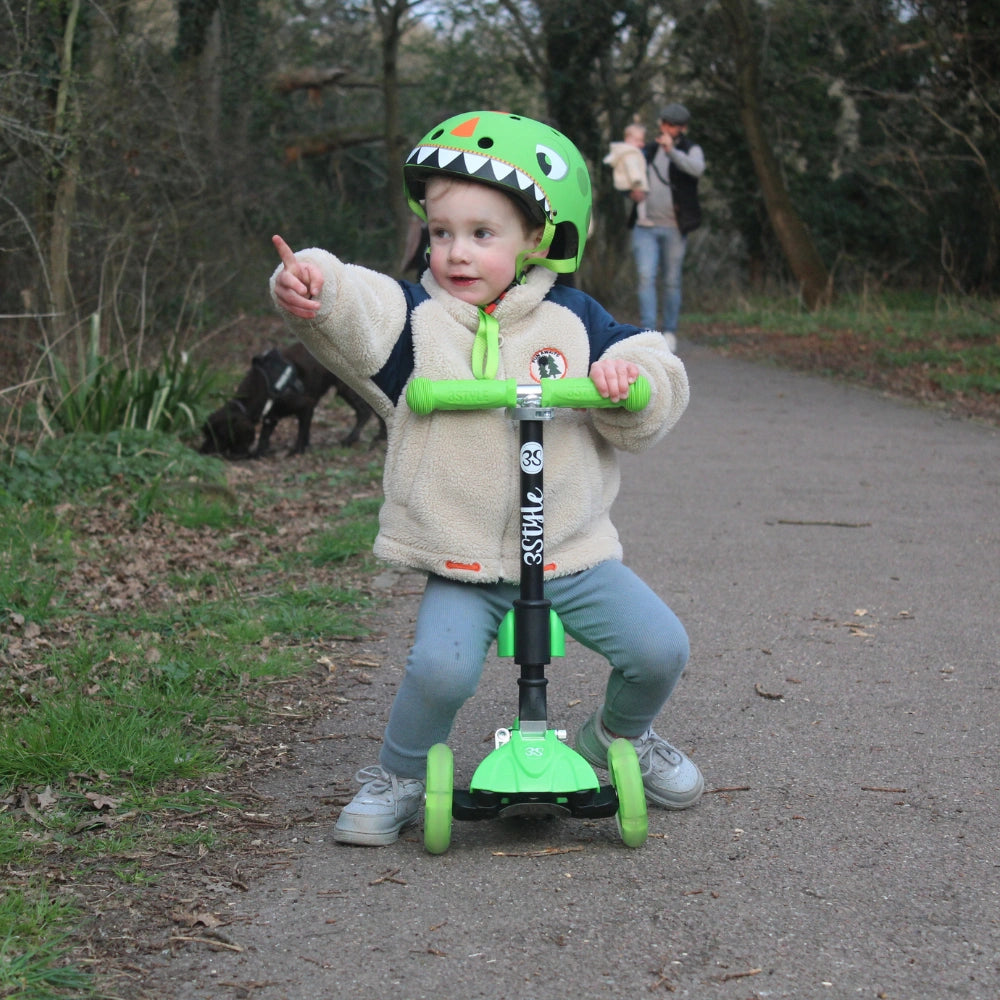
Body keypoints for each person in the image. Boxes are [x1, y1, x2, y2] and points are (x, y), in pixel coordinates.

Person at [270, 110, 703, 846]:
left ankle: (615, 741)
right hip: (464, 553)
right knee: (439, 670)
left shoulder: (575, 320)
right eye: (441, 234)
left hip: (570, 550)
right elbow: (358, 302)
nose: (456, 252)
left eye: (481, 233)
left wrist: (628, 381)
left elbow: (654, 364)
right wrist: (315, 281)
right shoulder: (417, 324)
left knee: (659, 648)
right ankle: (401, 775)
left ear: (537, 237)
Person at [631, 103, 705, 349]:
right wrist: (631, 193)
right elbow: (631, 174)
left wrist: (672, 151)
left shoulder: (690, 149)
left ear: (682, 128)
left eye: (672, 125)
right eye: (664, 123)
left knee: (672, 280)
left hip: (675, 226)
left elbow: (697, 169)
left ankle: (670, 330)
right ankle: (649, 332)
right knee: (645, 277)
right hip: (645, 226)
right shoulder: (649, 149)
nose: (666, 128)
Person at [604, 121, 649, 225]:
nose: (641, 144)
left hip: (625, 184)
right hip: (633, 183)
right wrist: (637, 182)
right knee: (641, 202)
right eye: (638, 140)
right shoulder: (631, 153)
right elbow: (632, 168)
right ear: (628, 139)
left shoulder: (623, 152)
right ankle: (642, 219)